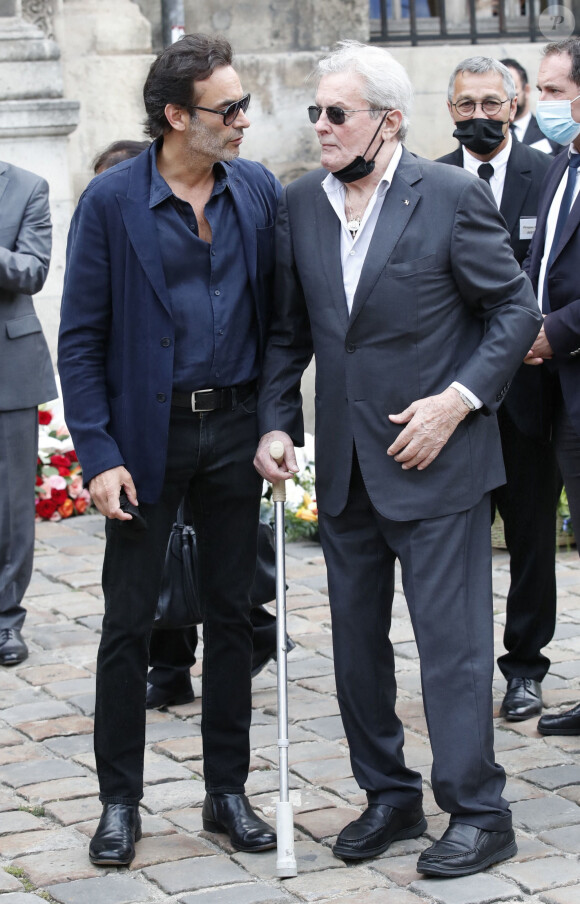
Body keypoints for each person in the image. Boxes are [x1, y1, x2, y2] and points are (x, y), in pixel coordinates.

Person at [254, 39, 542, 878]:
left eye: (335, 113)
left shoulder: (447, 195)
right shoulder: (301, 203)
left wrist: (460, 400)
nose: (321, 127)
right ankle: (388, 793)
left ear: (387, 120)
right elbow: (290, 333)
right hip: (345, 468)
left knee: (451, 648)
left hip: (438, 463)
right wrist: (278, 422)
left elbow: (514, 313)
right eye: (315, 112)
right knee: (356, 649)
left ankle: (479, 812)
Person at [58, 33, 281, 866]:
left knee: (232, 616)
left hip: (233, 427)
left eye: (244, 104)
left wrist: (273, 418)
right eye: (229, 109)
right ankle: (120, 802)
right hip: (145, 438)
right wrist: (98, 454)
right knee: (128, 622)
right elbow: (80, 341)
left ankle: (227, 792)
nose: (244, 121)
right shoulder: (113, 202)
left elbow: (281, 321)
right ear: (177, 116)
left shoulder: (256, 190)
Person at [437, 57, 559, 723]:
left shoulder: (549, 177)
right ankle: (461, 668)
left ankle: (525, 667)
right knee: (458, 543)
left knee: (532, 536)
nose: (478, 115)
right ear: (448, 109)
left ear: (514, 106)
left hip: (531, 391)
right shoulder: (428, 180)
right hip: (455, 396)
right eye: (465, 104)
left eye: (491, 101)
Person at [516, 38, 580, 738]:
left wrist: (553, 332)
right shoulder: (562, 161)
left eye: (557, 89)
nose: (545, 104)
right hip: (555, 391)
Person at [0, 161, 55, 666]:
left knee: (11, 507)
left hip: (7, 370)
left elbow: (33, 271)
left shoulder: (27, 188)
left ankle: (4, 620)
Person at [500, 58, 561, 156]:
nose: (506, 95)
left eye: (511, 87)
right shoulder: (487, 134)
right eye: (500, 89)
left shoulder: (553, 133)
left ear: (527, 90)